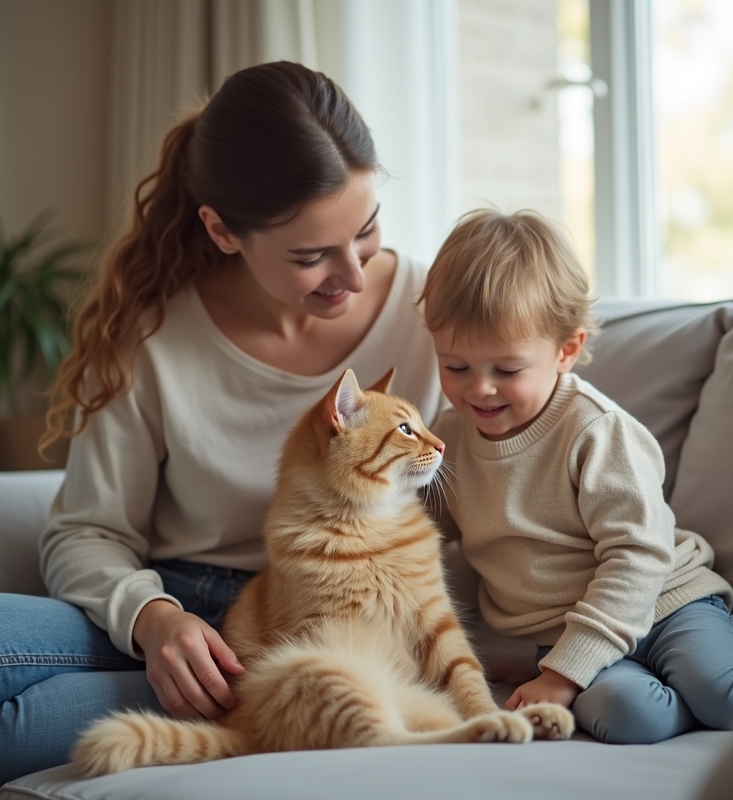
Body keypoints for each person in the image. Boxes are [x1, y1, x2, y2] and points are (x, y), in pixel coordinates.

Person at [0, 61, 443, 783]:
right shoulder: (151, 335)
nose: (355, 276)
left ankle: (272, 711)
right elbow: (87, 530)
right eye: (311, 256)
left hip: (335, 630)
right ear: (222, 230)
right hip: (183, 612)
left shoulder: (434, 311)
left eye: (365, 231)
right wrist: (157, 622)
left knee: (18, 723)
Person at [420, 208, 733, 744]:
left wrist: (559, 675)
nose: (479, 389)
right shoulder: (447, 440)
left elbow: (638, 555)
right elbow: (415, 536)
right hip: (567, 639)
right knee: (630, 718)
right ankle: (676, 705)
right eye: (455, 366)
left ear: (566, 351)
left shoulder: (597, 432)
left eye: (506, 370)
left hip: (668, 602)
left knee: (727, 697)